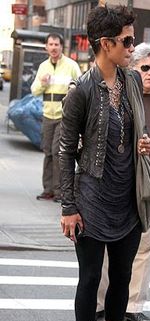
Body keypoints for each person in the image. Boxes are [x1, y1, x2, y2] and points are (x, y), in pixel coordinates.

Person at [59, 5, 150, 321]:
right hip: (93, 199)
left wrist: (141, 143)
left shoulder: (131, 81)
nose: (132, 48)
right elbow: (65, 150)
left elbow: (133, 133)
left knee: (123, 279)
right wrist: (68, 206)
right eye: (127, 41)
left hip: (128, 199)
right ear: (106, 43)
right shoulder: (81, 89)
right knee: (91, 278)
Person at [96, 42, 150, 321]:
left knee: (148, 246)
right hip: (121, 183)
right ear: (132, 68)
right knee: (112, 244)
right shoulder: (117, 97)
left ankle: (133, 305)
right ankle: (101, 302)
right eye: (145, 67)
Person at [31, 33, 81, 203]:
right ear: (46, 47)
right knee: (47, 152)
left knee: (57, 152)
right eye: (50, 44)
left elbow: (81, 89)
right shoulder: (43, 67)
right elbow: (34, 91)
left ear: (61, 46)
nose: (53, 47)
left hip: (64, 117)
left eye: (56, 44)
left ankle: (61, 192)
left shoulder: (71, 66)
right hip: (47, 115)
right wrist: (43, 83)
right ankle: (48, 190)